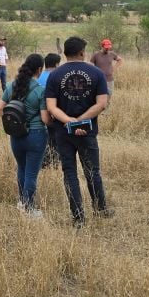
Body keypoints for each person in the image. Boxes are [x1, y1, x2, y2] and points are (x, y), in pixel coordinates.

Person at [45, 36, 113, 227]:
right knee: (93, 171)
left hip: (62, 132)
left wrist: (69, 122)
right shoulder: (96, 73)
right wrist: (81, 121)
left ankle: (78, 216)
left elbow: (51, 107)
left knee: (69, 173)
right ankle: (100, 208)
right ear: (82, 52)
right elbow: (102, 104)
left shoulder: (55, 75)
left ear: (65, 53)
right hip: (88, 131)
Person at [0, 54, 49, 218]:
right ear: (39, 69)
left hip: (16, 135)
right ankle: (29, 207)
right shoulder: (40, 90)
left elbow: (0, 108)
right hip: (35, 135)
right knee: (31, 173)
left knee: (22, 168)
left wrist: (14, 123)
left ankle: (22, 202)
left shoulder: (12, 85)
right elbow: (45, 118)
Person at [39, 53, 61, 168]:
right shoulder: (56, 77)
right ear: (57, 64)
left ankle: (44, 162)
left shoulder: (38, 76)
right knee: (54, 140)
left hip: (38, 114)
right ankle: (54, 162)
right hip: (52, 114)